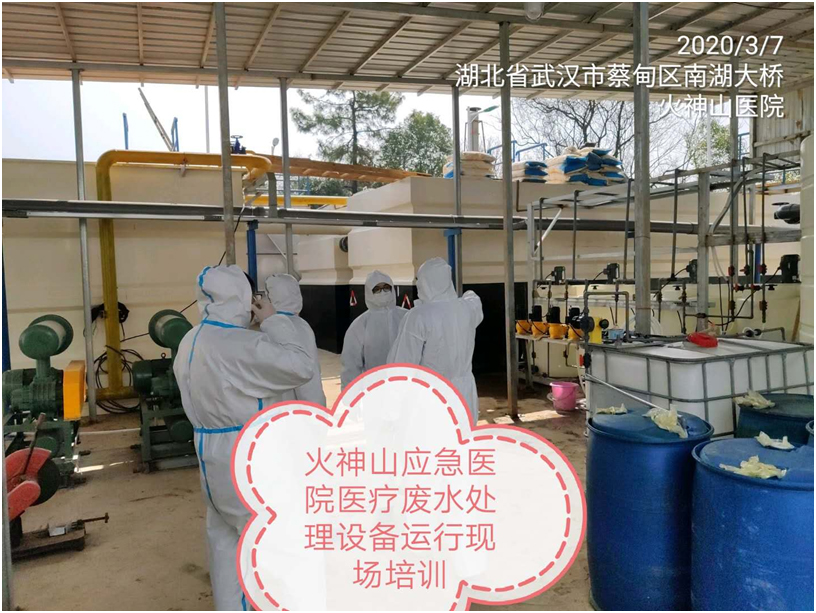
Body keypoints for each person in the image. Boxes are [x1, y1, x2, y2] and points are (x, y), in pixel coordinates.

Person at [174, 265, 315, 611]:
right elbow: (301, 366)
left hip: (210, 459)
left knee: (226, 548)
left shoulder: (191, 339)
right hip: (248, 460)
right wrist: (274, 320)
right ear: (243, 298)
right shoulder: (241, 345)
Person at [387, 258, 483, 424]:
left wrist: (392, 406)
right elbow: (473, 298)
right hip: (465, 394)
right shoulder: (467, 309)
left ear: (426, 282)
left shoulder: (418, 316)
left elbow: (402, 364)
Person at [262, 273, 326, 406]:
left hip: (291, 407)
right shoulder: (299, 325)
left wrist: (314, 410)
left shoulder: (277, 326)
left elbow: (306, 377)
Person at [340, 270, 408, 388]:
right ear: (369, 292)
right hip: (375, 388)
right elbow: (351, 365)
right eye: (377, 289)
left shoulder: (407, 317)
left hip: (406, 385)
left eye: (386, 288)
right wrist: (350, 394)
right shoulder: (360, 325)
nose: (383, 292)